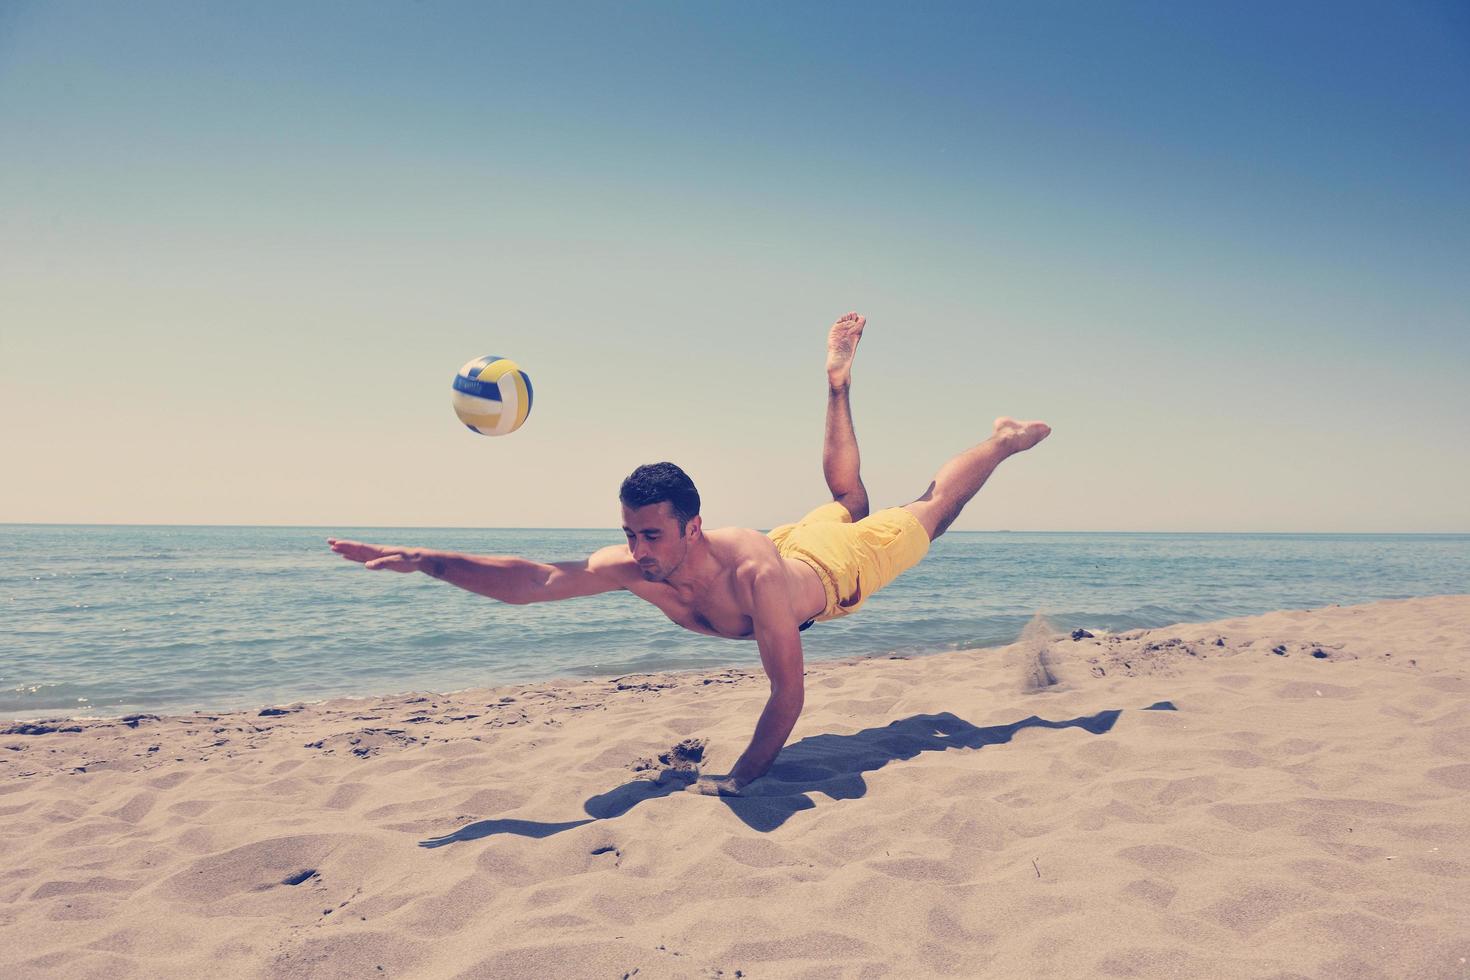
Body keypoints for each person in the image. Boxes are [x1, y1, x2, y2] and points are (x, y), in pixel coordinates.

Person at [328, 313, 1050, 795]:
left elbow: (789, 693)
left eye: (653, 536)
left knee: (926, 511)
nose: (639, 552)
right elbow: (537, 580)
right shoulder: (637, 567)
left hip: (830, 570)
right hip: (792, 544)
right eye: (631, 533)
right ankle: (837, 386)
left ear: (692, 527)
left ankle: (1003, 440)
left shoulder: (753, 576)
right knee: (847, 499)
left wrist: (739, 779)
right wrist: (430, 560)